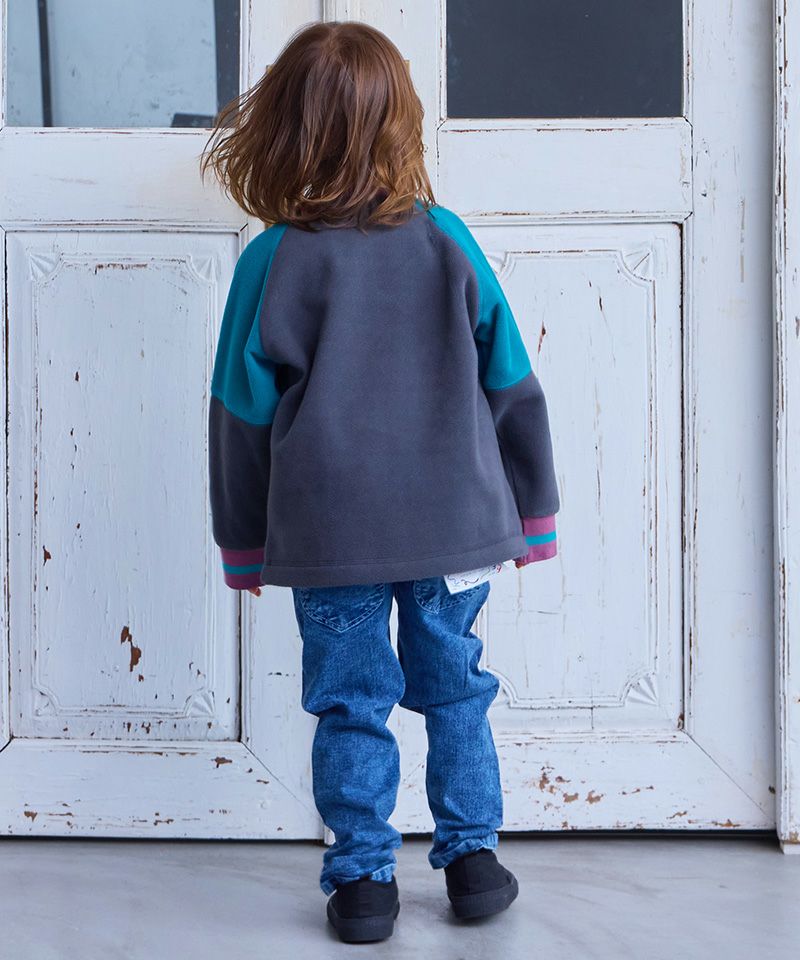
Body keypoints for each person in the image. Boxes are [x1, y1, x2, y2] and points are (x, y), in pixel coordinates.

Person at [201, 20, 560, 944]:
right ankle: (473, 861)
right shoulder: (446, 240)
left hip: (331, 538)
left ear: (285, 129)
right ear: (403, 123)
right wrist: (534, 511)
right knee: (457, 687)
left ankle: (363, 882)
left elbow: (240, 414)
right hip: (456, 525)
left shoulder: (272, 258)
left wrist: (243, 541)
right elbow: (512, 379)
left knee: (350, 699)